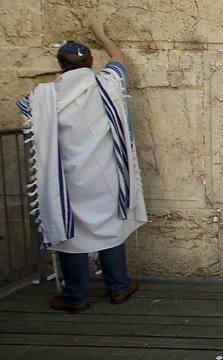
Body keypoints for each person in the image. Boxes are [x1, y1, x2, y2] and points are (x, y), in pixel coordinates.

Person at [17, 22, 147, 313]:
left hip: (68, 178)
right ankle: (119, 286)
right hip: (105, 175)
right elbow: (118, 59)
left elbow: (23, 108)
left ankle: (75, 297)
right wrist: (101, 34)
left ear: (60, 65)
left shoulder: (44, 95)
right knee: (110, 227)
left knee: (69, 232)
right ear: (89, 61)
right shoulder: (106, 83)